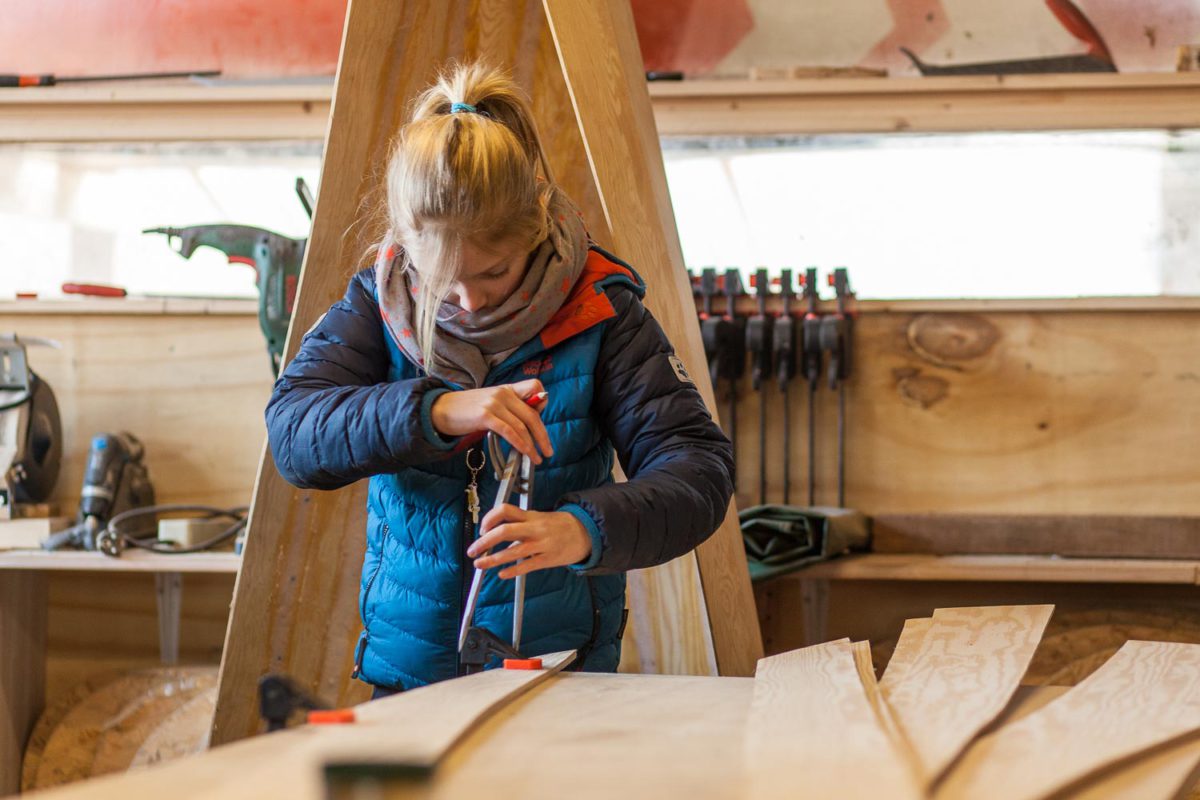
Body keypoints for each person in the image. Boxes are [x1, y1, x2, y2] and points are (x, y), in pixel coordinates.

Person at [265, 62, 734, 695]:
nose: (471, 301)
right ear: (405, 248)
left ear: (537, 226)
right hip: (409, 677)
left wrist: (582, 529)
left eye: (494, 273)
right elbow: (293, 434)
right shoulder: (377, 303)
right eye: (442, 280)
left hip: (559, 674)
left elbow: (699, 470)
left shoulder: (602, 310)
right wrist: (435, 412)